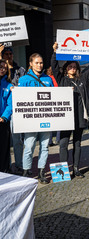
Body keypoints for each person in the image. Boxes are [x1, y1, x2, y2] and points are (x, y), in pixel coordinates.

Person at [51, 42, 89, 178]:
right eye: (70, 66)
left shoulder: (82, 79)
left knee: (77, 143)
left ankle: (76, 169)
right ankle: (63, 172)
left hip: (79, 117)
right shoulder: (61, 80)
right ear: (66, 68)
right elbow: (54, 67)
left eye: (74, 67)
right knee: (63, 144)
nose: (72, 68)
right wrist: (55, 52)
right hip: (65, 117)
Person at [18, 53, 54, 183]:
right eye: (37, 63)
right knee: (29, 146)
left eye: (41, 63)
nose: (39, 65)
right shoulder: (24, 80)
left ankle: (41, 171)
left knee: (44, 146)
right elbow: (20, 100)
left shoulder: (48, 79)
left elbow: (54, 97)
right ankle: (26, 170)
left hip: (45, 119)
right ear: (31, 63)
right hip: (31, 120)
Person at [0, 44, 25, 174]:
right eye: (6, 54)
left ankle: (18, 165)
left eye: (11, 54)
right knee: (4, 143)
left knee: (16, 140)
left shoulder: (19, 70)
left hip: (14, 111)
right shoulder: (2, 70)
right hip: (5, 112)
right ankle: (7, 166)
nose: (9, 56)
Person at [0, 59, 13, 173]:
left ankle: (4, 172)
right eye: (0, 67)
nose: (3, 69)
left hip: (3, 122)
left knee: (4, 150)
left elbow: (10, 104)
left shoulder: (9, 85)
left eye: (5, 68)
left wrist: (4, 117)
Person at [45, 66, 60, 147]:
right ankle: (58, 139)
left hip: (49, 101)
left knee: (49, 122)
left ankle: (49, 140)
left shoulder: (47, 78)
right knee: (58, 121)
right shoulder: (56, 78)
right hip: (56, 99)